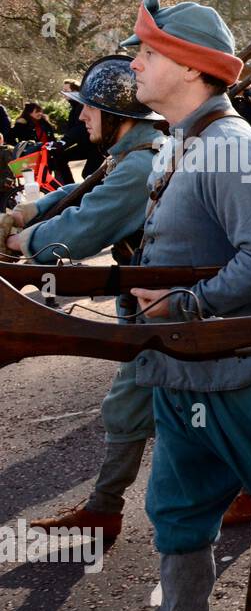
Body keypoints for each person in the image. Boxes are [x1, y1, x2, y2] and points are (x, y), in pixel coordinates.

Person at [99, 0, 251, 611]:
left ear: (186, 66)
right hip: (182, 375)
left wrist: (183, 304)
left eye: (147, 53)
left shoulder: (233, 147)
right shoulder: (180, 140)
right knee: (177, 516)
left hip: (238, 379)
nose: (136, 64)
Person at [8, 57, 164, 547]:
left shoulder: (141, 161)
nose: (81, 118)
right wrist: (32, 209)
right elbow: (87, 188)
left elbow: (83, 228)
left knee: (136, 407)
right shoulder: (131, 154)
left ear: (120, 113)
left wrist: (20, 243)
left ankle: (103, 512)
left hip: (164, 308)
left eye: (91, 109)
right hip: (151, 303)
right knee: (189, 412)